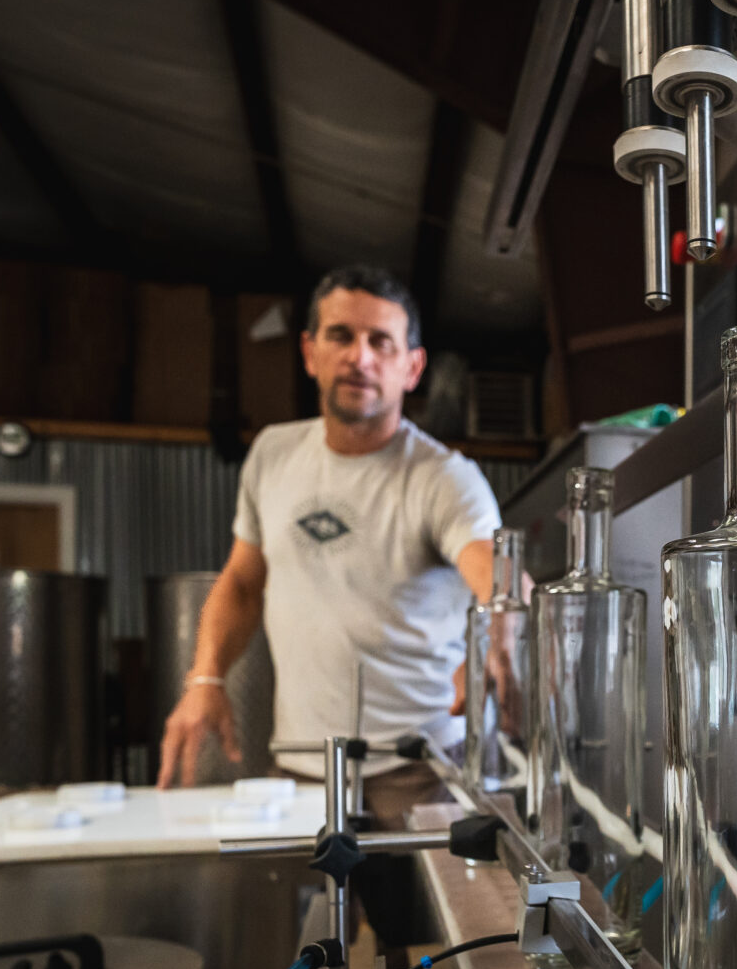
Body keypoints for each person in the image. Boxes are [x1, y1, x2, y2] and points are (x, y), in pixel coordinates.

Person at [159, 265, 500, 799]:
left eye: (381, 342)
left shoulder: (444, 478)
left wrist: (494, 643)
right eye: (340, 335)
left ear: (412, 368)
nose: (359, 357)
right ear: (308, 352)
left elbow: (498, 580)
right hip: (301, 766)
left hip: (421, 770)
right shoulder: (272, 454)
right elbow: (244, 584)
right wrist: (206, 678)